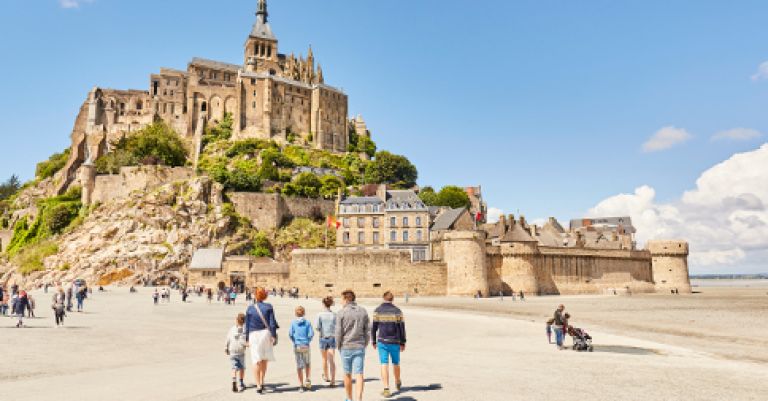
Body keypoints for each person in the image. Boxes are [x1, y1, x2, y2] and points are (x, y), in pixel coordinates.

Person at [335, 289, 370, 401]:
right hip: (359, 345)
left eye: (342, 299)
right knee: (359, 374)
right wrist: (365, 343)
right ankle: (359, 398)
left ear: (346, 299)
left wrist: (338, 345)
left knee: (347, 374)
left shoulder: (341, 313)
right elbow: (368, 330)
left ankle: (349, 398)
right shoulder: (363, 311)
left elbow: (338, 332)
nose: (341, 301)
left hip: (346, 346)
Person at [372, 291, 406, 398]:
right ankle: (397, 380)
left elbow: (374, 328)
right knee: (396, 363)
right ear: (392, 299)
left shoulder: (377, 310)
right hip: (395, 341)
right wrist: (403, 342)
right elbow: (402, 328)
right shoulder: (397, 311)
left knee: (384, 364)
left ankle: (386, 388)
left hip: (382, 341)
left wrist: (373, 340)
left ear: (383, 298)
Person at [245, 288, 278, 394]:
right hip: (265, 334)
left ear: (255, 296)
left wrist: (246, 339)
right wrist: (273, 335)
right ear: (265, 296)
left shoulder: (250, 308)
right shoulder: (269, 307)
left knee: (256, 360)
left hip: (253, 334)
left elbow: (247, 325)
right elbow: (272, 323)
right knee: (264, 359)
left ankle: (258, 385)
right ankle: (262, 381)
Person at [289, 306, 314, 392]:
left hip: (297, 345)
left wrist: (295, 341)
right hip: (305, 345)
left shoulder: (293, 323)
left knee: (299, 365)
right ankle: (307, 381)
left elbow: (290, 334)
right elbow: (311, 334)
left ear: (296, 313)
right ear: (304, 313)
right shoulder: (307, 322)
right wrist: (307, 341)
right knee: (307, 363)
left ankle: (300, 385)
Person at [316, 296, 337, 388]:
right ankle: (333, 380)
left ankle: (326, 376)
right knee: (331, 360)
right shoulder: (334, 315)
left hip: (323, 337)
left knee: (324, 359)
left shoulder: (319, 315)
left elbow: (317, 327)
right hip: (332, 338)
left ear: (323, 304)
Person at [226, 313, 248, 393]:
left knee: (234, 367)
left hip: (232, 350)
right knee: (242, 367)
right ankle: (241, 383)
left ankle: (234, 380)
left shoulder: (232, 329)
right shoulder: (244, 330)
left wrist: (226, 348)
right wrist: (248, 345)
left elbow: (228, 338)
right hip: (240, 351)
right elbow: (242, 340)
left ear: (236, 320)